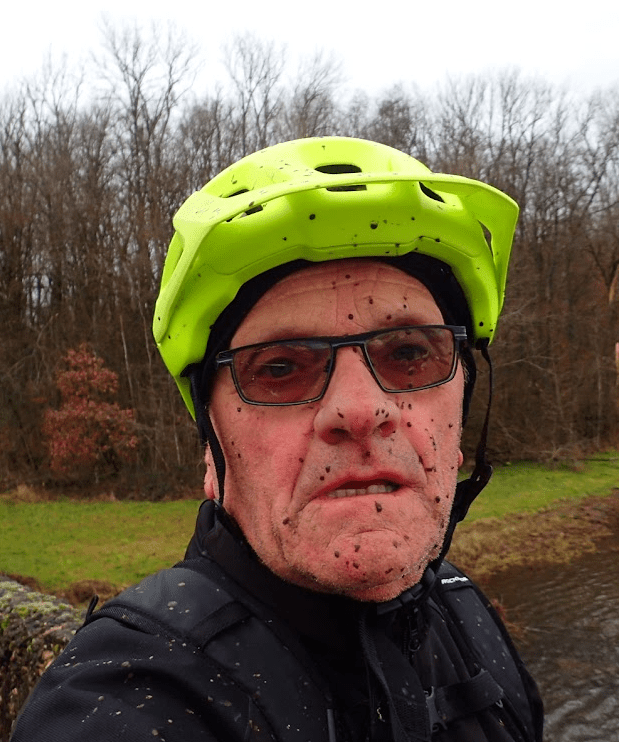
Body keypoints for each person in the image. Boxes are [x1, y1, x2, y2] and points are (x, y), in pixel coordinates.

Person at [11, 137, 543, 741]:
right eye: (281, 367)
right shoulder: (124, 698)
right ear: (212, 449)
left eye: (408, 353)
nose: (360, 410)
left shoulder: (468, 616)